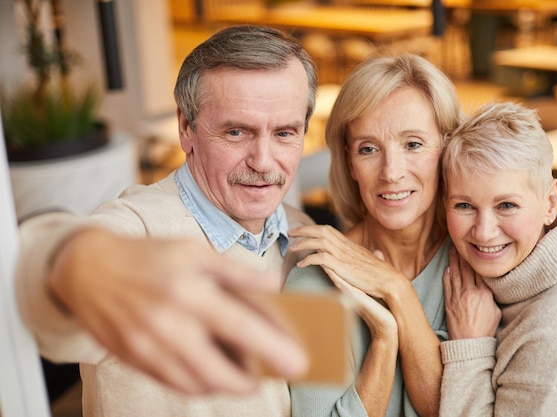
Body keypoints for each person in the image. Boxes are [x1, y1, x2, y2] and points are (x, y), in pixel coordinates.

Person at [15, 25, 319, 417]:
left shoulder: (301, 232)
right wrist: (79, 261)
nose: (263, 161)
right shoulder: (137, 231)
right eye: (236, 131)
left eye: (284, 133)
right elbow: (38, 278)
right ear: (186, 128)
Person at [284, 53, 465, 417]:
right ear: (349, 161)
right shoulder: (311, 284)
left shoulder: (476, 256)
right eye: (368, 149)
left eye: (413, 144)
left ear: (447, 147)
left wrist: (397, 290)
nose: (391, 172)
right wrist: (385, 338)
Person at [439, 101, 557, 416]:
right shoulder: (485, 272)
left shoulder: (556, 333)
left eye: (507, 205)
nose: (483, 232)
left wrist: (470, 348)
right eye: (464, 206)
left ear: (550, 203)